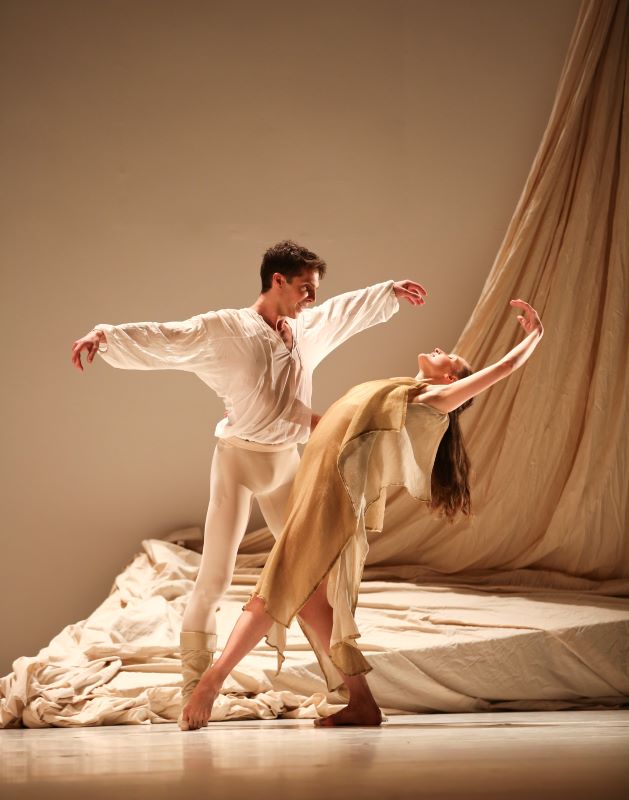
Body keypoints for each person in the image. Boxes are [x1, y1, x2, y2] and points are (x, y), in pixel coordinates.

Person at [70, 240, 428, 729]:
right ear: (277, 280)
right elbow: (169, 337)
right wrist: (105, 337)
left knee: (312, 584)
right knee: (214, 578)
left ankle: (350, 696)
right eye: (304, 288)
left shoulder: (304, 329)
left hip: (287, 466)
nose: (311, 299)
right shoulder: (226, 329)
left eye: (314, 290)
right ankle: (196, 692)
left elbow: (346, 313)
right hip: (237, 462)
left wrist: (388, 292)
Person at [180, 298, 544, 730]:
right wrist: (255, 416)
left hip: (330, 498)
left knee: (275, 588)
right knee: (312, 605)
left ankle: (210, 682)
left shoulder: (437, 397)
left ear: (450, 378)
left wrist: (534, 336)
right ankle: (362, 704)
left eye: (450, 356)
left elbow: (498, 372)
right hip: (314, 488)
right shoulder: (398, 393)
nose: (440, 346)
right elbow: (334, 425)